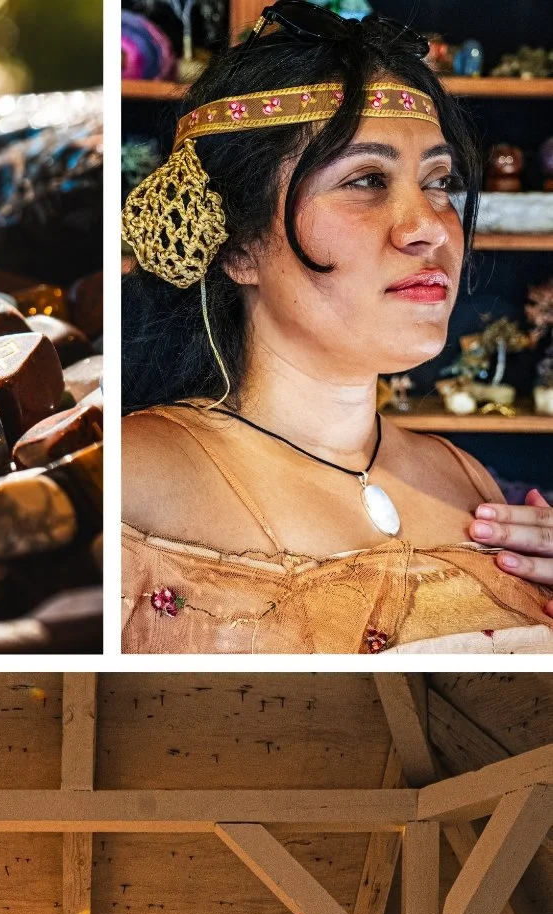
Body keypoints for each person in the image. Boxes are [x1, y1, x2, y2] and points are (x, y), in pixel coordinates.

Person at [120, 2, 553, 654]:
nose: (429, 227)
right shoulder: (132, 478)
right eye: (365, 180)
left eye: (440, 181)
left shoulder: (469, 484)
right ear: (236, 246)